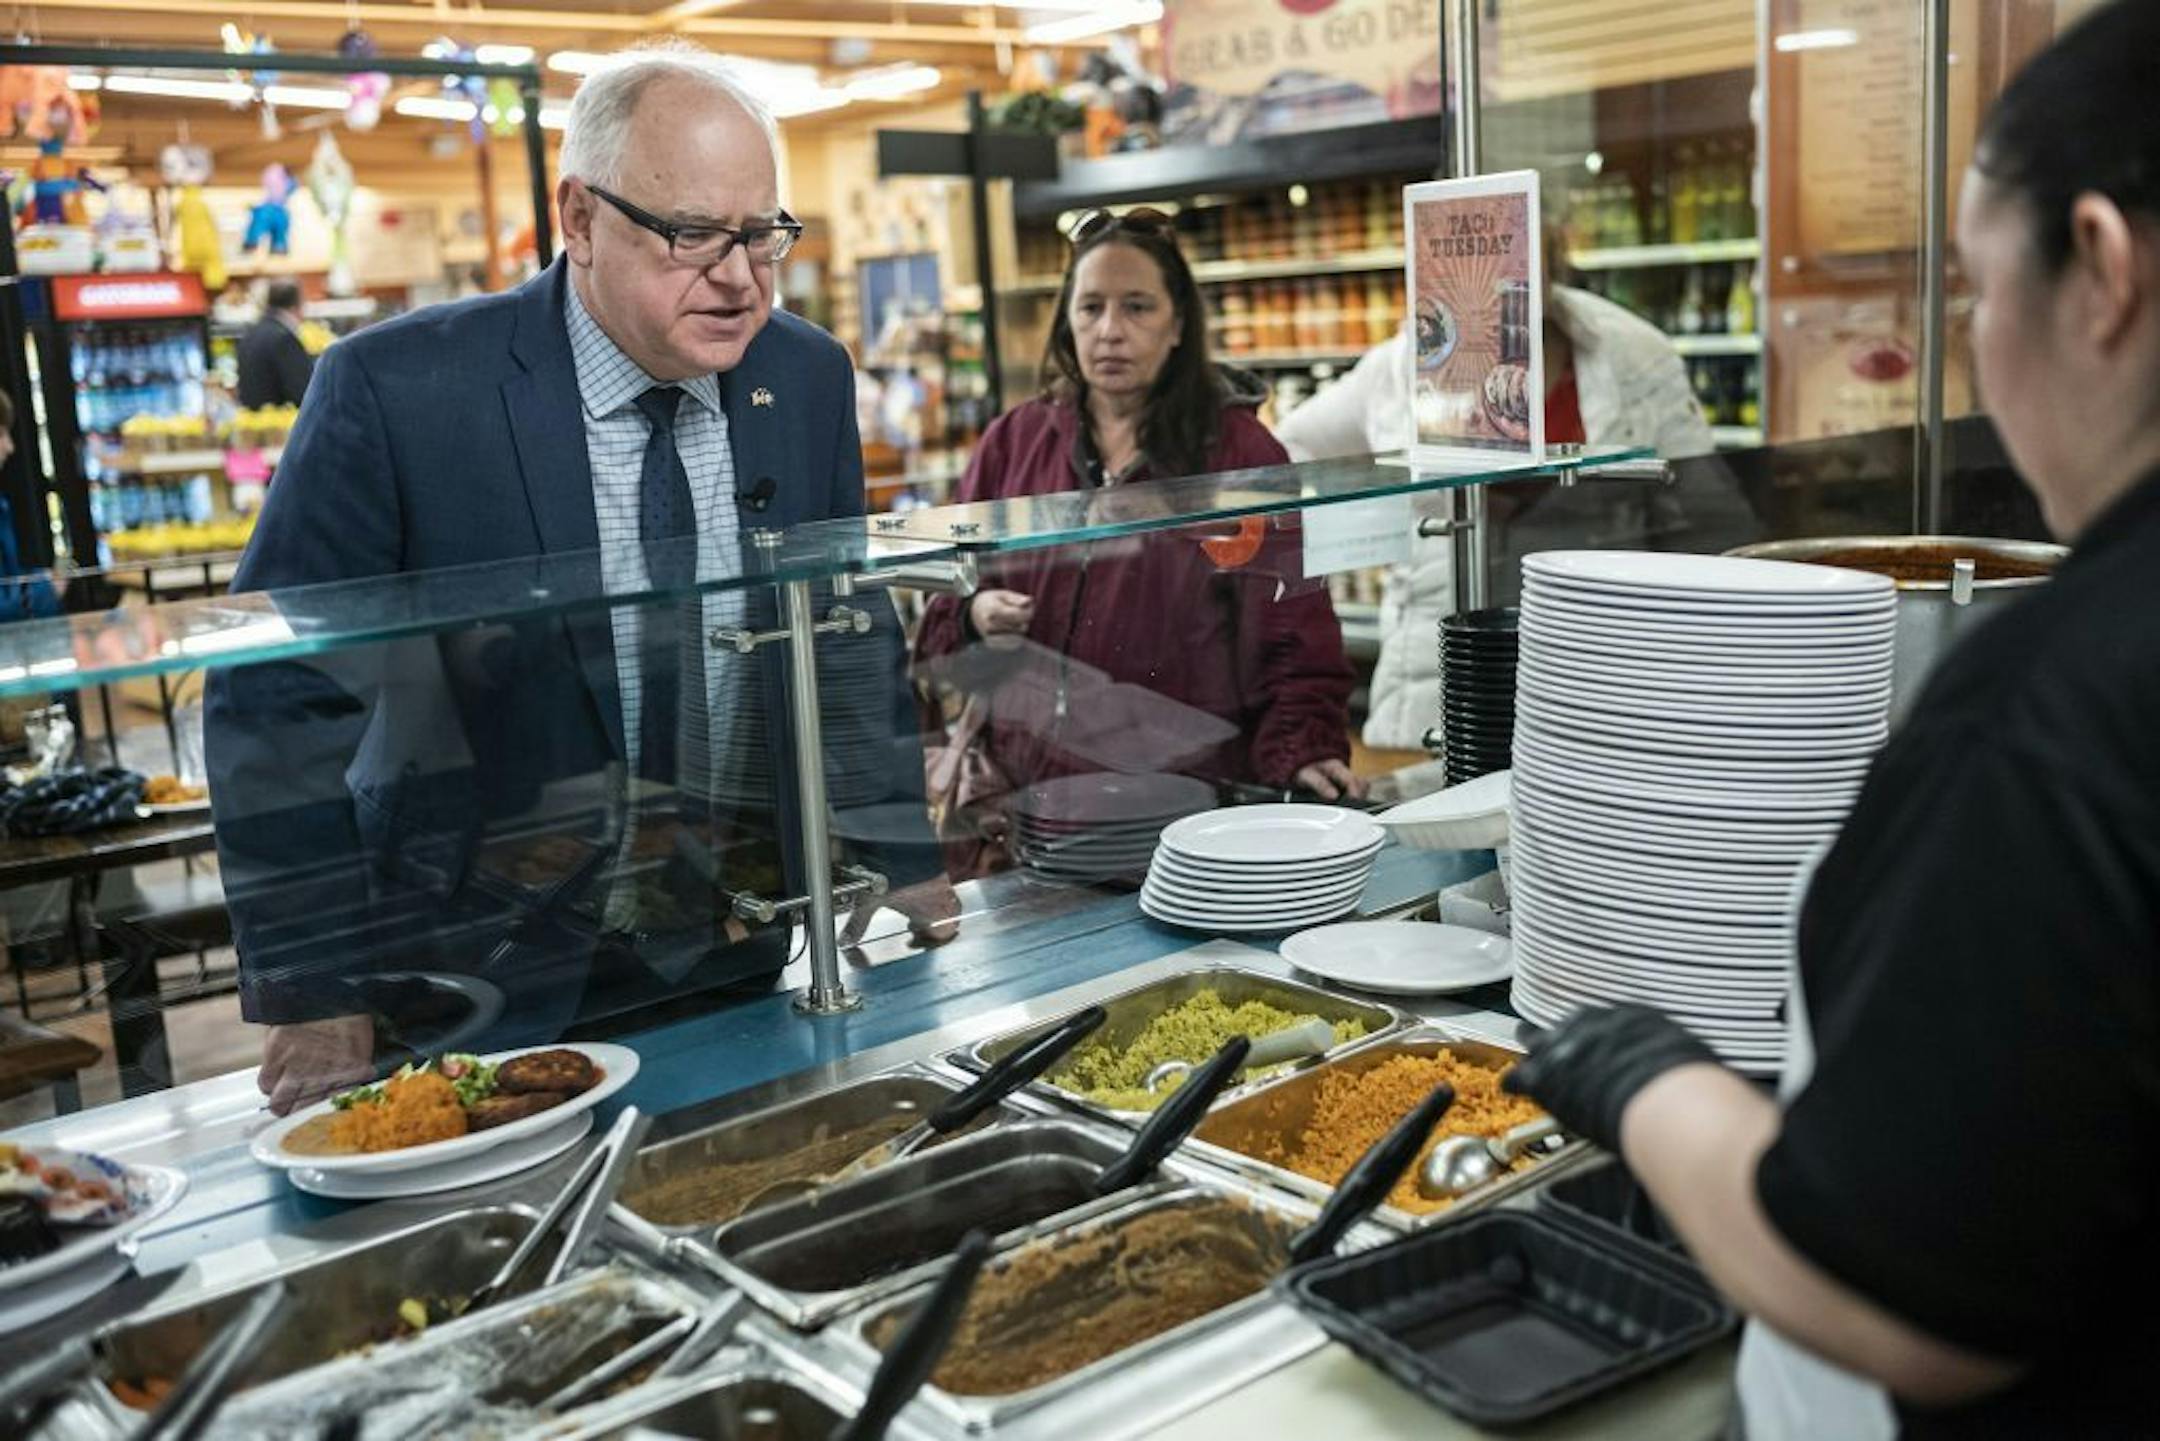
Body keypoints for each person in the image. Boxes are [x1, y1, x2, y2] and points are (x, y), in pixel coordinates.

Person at [1501, 7, 2160, 1437]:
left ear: (2102, 269)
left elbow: (1906, 1298)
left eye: (1979, 291)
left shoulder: (2057, 703)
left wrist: (1646, 1074)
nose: (1979, 348)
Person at [208, 43, 951, 1115]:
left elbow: (842, 627)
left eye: (762, 235)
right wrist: (313, 985)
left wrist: (894, 845)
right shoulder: (398, 391)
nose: (738, 275)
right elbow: (272, 697)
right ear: (581, 218)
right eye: (693, 234)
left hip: (732, 943)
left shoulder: (804, 374)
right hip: (470, 969)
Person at [911, 208, 1361, 841]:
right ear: (1067, 321)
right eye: (1091, 307)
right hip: (1024, 814)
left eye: (1137, 307)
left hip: (1183, 810)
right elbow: (939, 598)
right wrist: (972, 613)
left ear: (1178, 324)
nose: (1110, 331)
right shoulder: (1014, 441)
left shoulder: (1239, 453)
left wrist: (1305, 749)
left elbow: (1293, 629)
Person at [1275, 250, 1713, 749]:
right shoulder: (1401, 363)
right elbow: (1292, 450)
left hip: (1596, 662)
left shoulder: (1630, 352)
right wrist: (1384, 522)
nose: (1499, 274)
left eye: (1522, 246)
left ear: (1552, 247)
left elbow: (1707, 513)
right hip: (1440, 679)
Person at [234, 279, 315, 409]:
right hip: (281, 423)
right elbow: (302, 391)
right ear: (297, 304)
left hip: (253, 423)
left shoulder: (251, 333)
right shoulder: (284, 338)